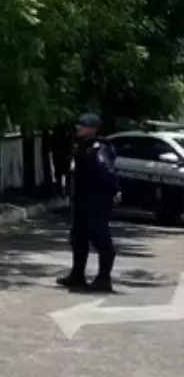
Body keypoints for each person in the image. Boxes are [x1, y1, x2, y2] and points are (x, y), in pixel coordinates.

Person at [57, 112, 120, 293]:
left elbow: (106, 170)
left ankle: (104, 279)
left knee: (101, 238)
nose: (79, 128)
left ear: (93, 129)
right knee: (78, 237)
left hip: (96, 200)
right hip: (82, 198)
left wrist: (113, 190)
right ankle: (77, 275)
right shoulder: (82, 146)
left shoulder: (99, 148)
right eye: (79, 125)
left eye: (83, 126)